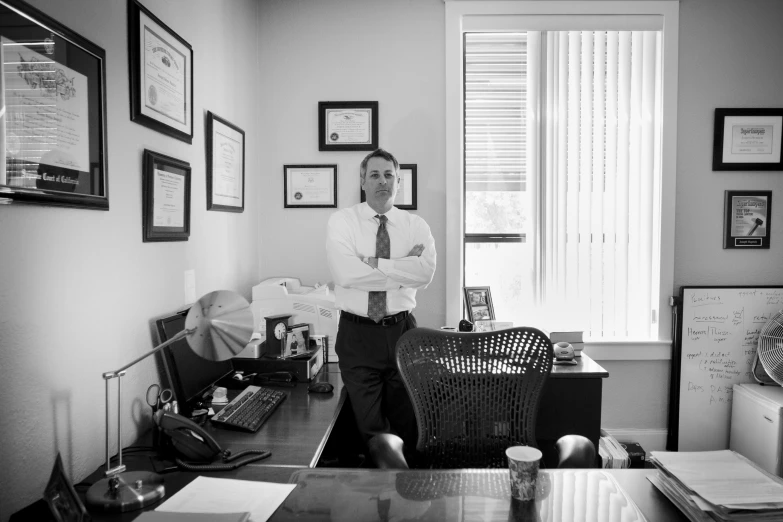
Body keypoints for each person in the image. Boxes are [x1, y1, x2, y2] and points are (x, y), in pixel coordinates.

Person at [325, 148, 436, 469]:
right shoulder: (343, 222)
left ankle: (409, 498)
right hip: (357, 334)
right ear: (362, 181)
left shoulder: (415, 226)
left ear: (398, 182)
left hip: (403, 333)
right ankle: (383, 493)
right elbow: (344, 273)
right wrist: (402, 268)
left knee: (409, 422)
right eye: (374, 174)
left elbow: (425, 273)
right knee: (370, 426)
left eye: (389, 175)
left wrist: (371, 263)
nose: (382, 181)